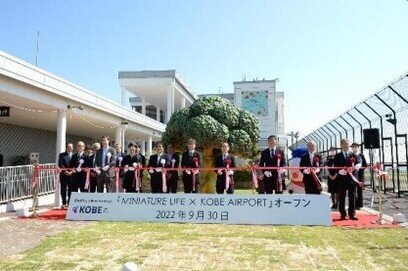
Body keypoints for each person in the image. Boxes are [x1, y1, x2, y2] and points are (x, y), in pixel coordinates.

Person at [334, 139, 360, 220]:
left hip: (352, 179)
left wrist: (357, 166)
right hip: (342, 179)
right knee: (342, 196)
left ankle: (352, 214)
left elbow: (358, 163)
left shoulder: (353, 154)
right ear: (341, 145)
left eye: (347, 144)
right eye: (344, 144)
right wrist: (340, 171)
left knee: (352, 196)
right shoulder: (337, 156)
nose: (346, 145)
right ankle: (342, 214)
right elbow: (335, 167)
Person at [351, 143, 367, 210]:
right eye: (353, 147)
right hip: (353, 175)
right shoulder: (350, 155)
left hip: (360, 174)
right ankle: (353, 204)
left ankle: (359, 205)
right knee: (353, 190)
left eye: (355, 147)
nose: (354, 148)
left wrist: (360, 169)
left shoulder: (361, 155)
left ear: (358, 147)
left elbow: (365, 165)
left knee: (359, 190)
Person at [58, 143, 73, 208]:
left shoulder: (74, 155)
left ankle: (69, 202)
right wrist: (66, 171)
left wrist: (71, 172)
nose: (69, 148)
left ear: (72, 148)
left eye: (71, 147)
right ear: (66, 147)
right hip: (63, 175)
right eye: (68, 147)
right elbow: (60, 164)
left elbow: (75, 165)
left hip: (72, 175)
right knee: (63, 189)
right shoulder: (62, 155)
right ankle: (64, 203)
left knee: (71, 189)